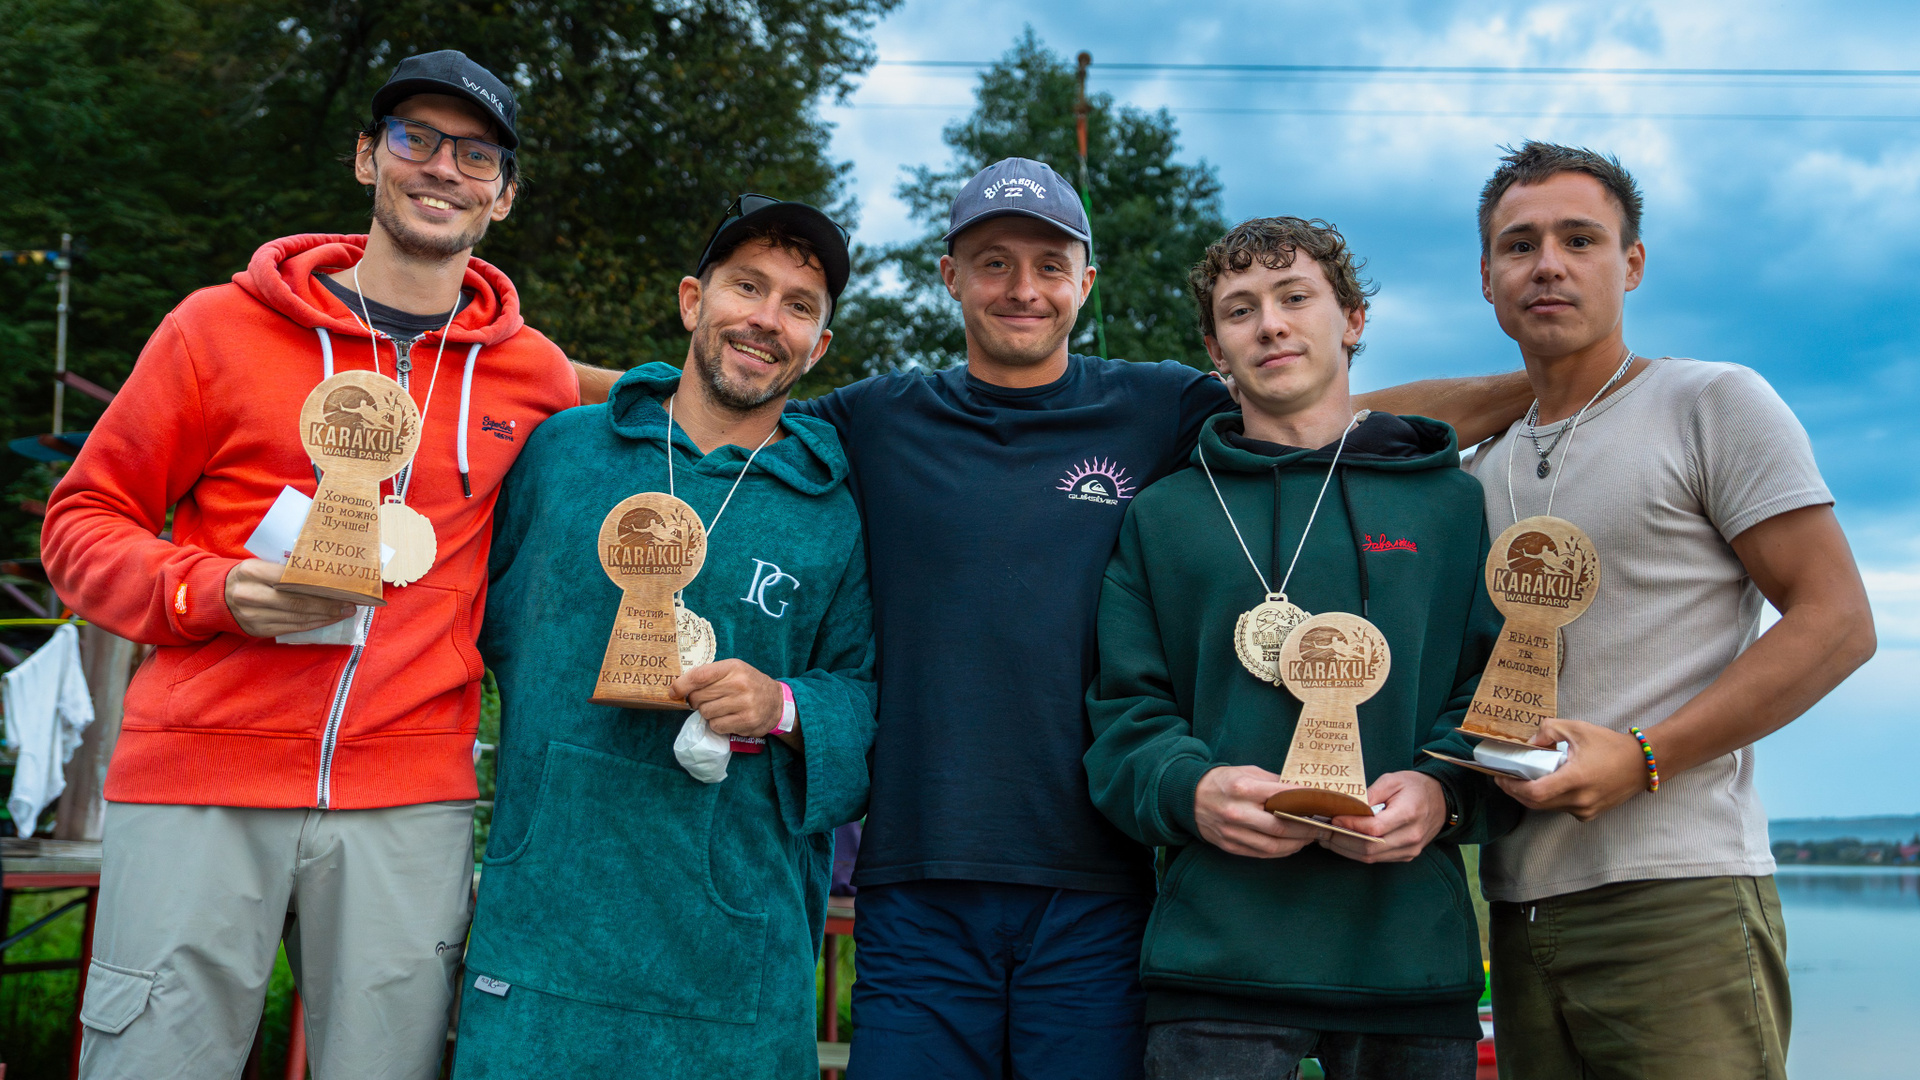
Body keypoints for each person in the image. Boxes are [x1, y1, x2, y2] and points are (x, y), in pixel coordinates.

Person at [789, 157, 1534, 1079]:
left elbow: (1321, 410)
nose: (1023, 289)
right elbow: (739, 421)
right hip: (920, 872)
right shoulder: (875, 417)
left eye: (1050, 265)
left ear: (1086, 282)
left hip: (1098, 884)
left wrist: (1557, 381)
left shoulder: (1157, 406)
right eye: (993, 263)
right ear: (950, 275)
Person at [41, 50, 609, 1078]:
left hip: (408, 802)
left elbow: (653, 422)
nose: (443, 168)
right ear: (366, 157)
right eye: (415, 138)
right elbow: (82, 520)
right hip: (198, 781)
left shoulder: (531, 375)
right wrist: (209, 589)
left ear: (504, 196)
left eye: (476, 154)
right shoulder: (215, 329)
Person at [1466, 141, 1876, 1080]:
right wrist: (1530, 387)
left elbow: (1838, 622)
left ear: (1633, 263)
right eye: (1520, 245)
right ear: (1486, 278)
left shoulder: (1711, 402)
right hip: (1517, 906)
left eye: (1581, 240)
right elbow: (1332, 419)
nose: (1548, 264)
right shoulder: (1484, 462)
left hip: (1678, 897)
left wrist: (1642, 757)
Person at [450, 196, 875, 1077]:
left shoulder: (838, 514)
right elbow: (451, 626)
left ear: (819, 347)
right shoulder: (561, 455)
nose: (767, 319)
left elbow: (874, 703)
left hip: (735, 956)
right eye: (747, 286)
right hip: (542, 928)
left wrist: (784, 705)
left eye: (799, 305)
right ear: (692, 300)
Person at [1082, 216, 1514, 1080]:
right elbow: (1124, 717)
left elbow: (1500, 695)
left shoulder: (1453, 506)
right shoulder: (1163, 515)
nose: (1270, 325)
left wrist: (1445, 795)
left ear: (1352, 319)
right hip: (1216, 965)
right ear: (1216, 349)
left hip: (1409, 959)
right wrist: (1191, 790)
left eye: (1294, 297)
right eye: (1240, 310)